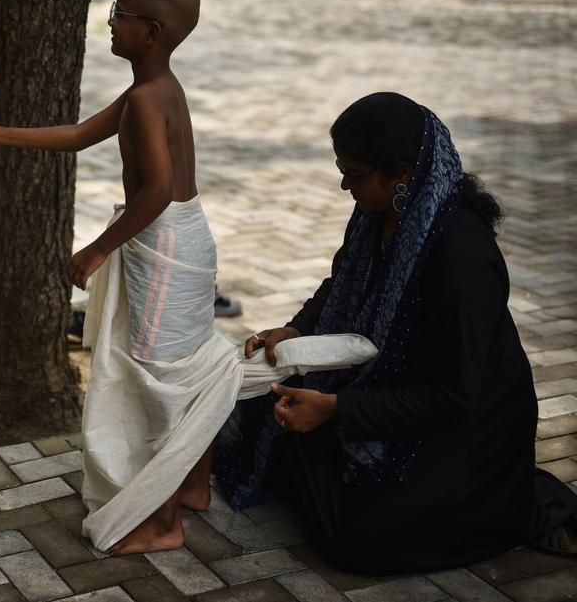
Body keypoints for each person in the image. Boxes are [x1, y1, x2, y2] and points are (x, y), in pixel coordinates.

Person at [0, 0, 371, 556]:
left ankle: (160, 522)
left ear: (151, 32)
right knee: (185, 369)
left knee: (162, 382)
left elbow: (154, 192)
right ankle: (194, 485)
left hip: (165, 252)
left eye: (120, 14)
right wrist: (5, 136)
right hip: (178, 242)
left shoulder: (153, 97)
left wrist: (100, 246)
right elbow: (81, 135)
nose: (110, 22)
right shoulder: (149, 91)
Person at [214, 93, 577, 574]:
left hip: (465, 427)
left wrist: (337, 409)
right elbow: (341, 281)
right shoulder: (379, 214)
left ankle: (515, 503)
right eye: (341, 169)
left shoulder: (462, 258)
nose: (345, 185)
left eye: (356, 174)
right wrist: (296, 328)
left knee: (360, 542)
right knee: (270, 408)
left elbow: (452, 396)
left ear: (402, 173)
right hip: (393, 384)